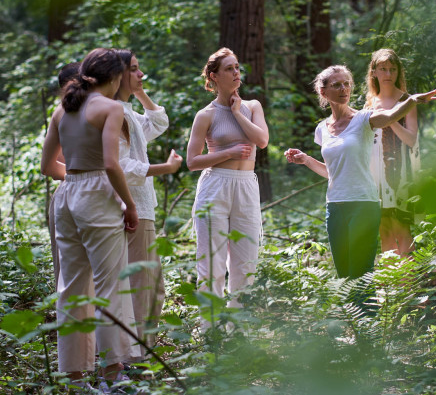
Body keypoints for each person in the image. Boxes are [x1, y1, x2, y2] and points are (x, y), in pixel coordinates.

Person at [40, 48, 140, 388]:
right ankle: (113, 374)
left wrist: (77, 179)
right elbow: (112, 164)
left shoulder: (62, 110)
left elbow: (47, 166)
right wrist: (129, 204)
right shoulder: (111, 108)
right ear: (113, 78)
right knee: (109, 285)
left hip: (66, 196)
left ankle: (74, 376)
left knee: (71, 287)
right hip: (98, 194)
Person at [284, 65, 436, 278]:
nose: (343, 89)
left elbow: (390, 117)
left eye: (347, 84)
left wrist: (410, 102)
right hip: (335, 208)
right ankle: (349, 312)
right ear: (323, 91)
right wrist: (307, 160)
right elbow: (333, 173)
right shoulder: (321, 129)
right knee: (344, 275)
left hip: (363, 204)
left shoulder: (364, 119)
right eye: (336, 85)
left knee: (360, 274)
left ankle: (367, 312)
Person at [186, 48, 269, 317]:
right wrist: (228, 153)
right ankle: (211, 330)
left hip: (246, 185)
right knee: (211, 262)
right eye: (229, 69)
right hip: (215, 186)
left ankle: (238, 331)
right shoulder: (205, 115)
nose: (236, 73)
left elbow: (262, 141)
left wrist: (237, 113)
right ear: (214, 77)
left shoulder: (252, 106)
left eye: (237, 68)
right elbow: (192, 161)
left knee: (246, 263)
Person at [114, 49, 182, 350]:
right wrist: (164, 169)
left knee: (149, 286)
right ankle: (138, 359)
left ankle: (135, 356)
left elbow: (157, 122)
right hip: (133, 209)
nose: (142, 75)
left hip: (142, 209)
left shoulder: (127, 111)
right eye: (134, 70)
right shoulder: (114, 113)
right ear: (116, 76)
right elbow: (120, 165)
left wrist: (140, 93)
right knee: (146, 288)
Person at [365, 49, 419, 256]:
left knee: (402, 227)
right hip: (375, 174)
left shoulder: (407, 101)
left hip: (402, 172)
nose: (388, 74)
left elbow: (411, 139)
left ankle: (410, 282)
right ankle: (391, 282)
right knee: (384, 227)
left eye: (392, 69)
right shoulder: (370, 103)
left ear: (398, 72)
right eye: (383, 69)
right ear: (374, 73)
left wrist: (390, 118)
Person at [47, 62, 81, 289]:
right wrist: (78, 177)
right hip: (71, 193)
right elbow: (50, 164)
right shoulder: (62, 113)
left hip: (84, 192)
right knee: (68, 274)